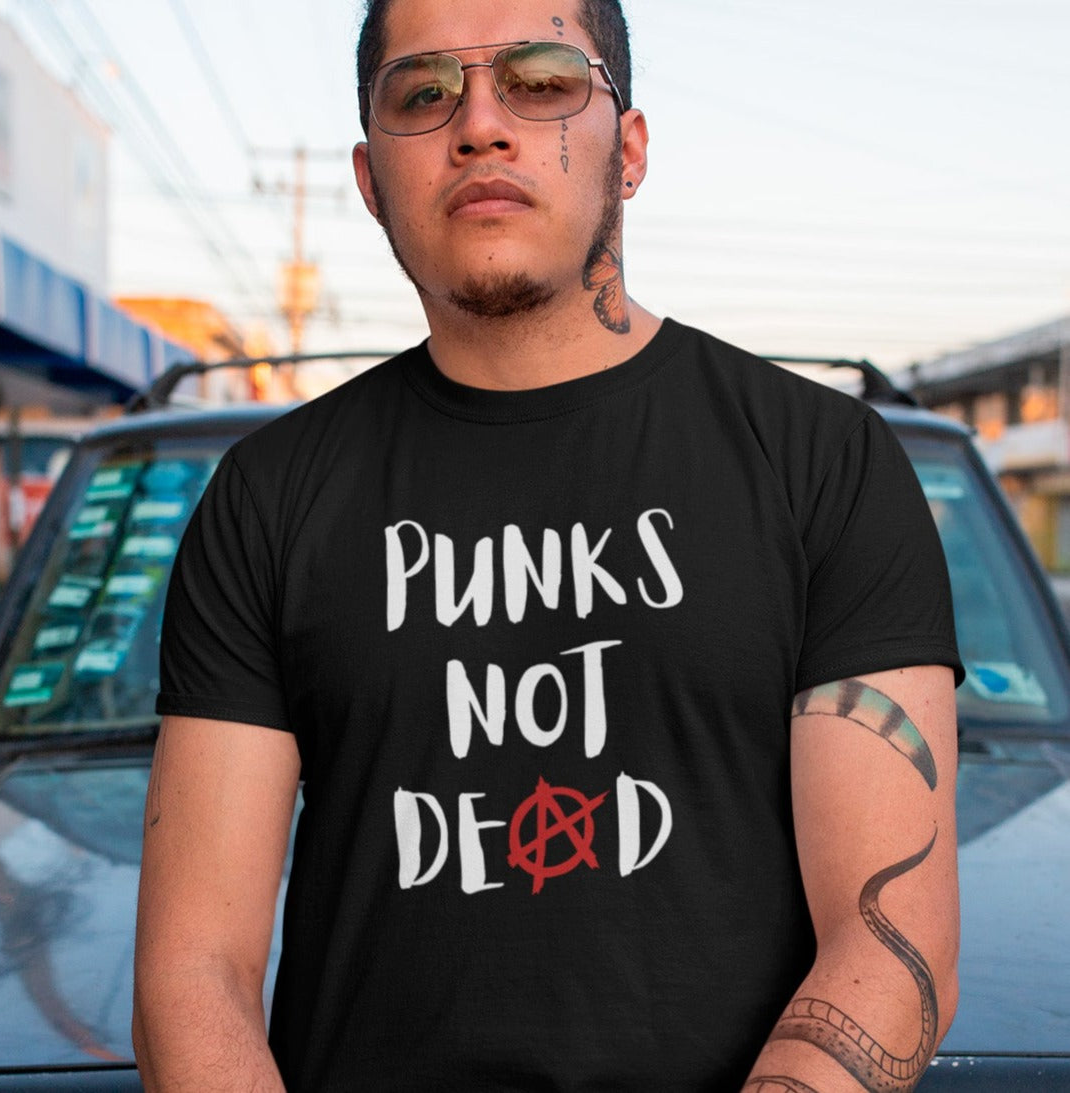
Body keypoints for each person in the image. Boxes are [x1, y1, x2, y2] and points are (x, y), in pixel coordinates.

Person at [131, 0, 963, 1089]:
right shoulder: (269, 497)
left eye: (540, 78)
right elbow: (195, 968)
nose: (480, 122)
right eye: (422, 92)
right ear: (371, 177)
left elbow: (888, 940)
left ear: (629, 149)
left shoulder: (821, 461)